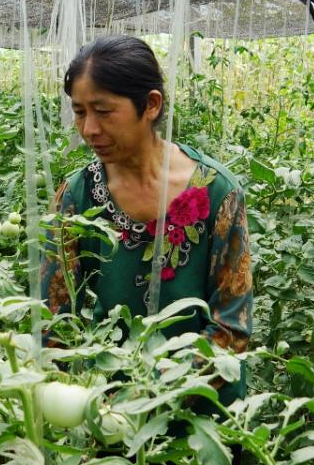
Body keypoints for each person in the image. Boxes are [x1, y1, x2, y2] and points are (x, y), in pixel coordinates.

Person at [39, 35, 253, 402]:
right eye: (79, 112)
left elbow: (231, 330)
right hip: (109, 413)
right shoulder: (78, 197)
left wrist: (152, 390)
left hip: (202, 413)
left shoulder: (218, 194)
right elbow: (53, 320)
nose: (89, 129)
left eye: (103, 112)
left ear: (150, 105)